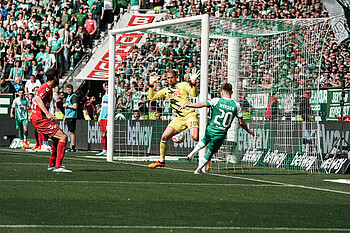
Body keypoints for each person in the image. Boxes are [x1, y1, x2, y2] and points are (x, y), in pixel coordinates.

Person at [181, 83, 255, 174]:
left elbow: (202, 104)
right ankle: (198, 170)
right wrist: (248, 130)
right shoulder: (237, 105)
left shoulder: (216, 100)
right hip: (220, 133)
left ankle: (192, 153)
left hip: (211, 128)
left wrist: (189, 105)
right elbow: (241, 122)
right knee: (210, 152)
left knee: (204, 140)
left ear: (222, 92)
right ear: (231, 92)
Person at [147, 68, 200, 168]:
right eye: (168, 78)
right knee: (164, 137)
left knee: (195, 137)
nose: (170, 80)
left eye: (172, 78)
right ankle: (161, 161)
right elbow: (151, 98)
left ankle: (205, 160)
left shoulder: (183, 85)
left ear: (176, 77)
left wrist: (193, 83)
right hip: (179, 118)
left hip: (190, 116)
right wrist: (151, 84)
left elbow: (194, 94)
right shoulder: (166, 91)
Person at [31, 68, 71, 172]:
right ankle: (58, 166)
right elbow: (38, 99)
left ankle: (52, 165)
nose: (59, 78)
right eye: (58, 76)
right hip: (40, 118)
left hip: (40, 118)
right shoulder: (46, 88)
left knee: (57, 139)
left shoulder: (48, 88)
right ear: (54, 77)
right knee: (63, 137)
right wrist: (47, 113)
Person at [63, 84, 78, 152]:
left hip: (72, 116)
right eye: (67, 89)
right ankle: (71, 145)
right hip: (68, 116)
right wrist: (65, 116)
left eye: (69, 89)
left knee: (71, 131)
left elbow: (75, 106)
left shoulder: (73, 97)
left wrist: (67, 105)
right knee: (70, 131)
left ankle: (73, 146)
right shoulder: (68, 97)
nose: (68, 91)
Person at [96, 82, 109, 156]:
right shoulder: (104, 96)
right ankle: (104, 149)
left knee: (108, 133)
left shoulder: (112, 96)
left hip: (108, 118)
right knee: (103, 133)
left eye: (108, 87)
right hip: (103, 117)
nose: (107, 88)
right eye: (106, 87)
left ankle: (109, 149)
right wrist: (99, 117)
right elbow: (102, 107)